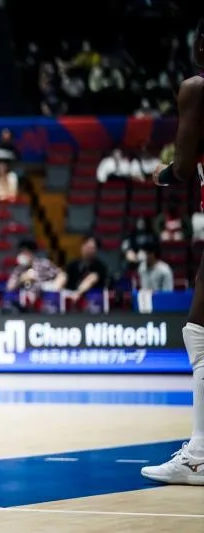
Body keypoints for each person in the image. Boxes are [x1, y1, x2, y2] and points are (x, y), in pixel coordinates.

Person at [142, 19, 204, 486]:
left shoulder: (196, 88)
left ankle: (199, 456)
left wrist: (165, 171)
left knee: (199, 334)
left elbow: (182, 169)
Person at [63, 236, 108, 303]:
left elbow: (94, 279)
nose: (88, 250)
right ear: (82, 246)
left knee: (93, 276)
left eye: (91, 248)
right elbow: (65, 279)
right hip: (70, 296)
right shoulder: (72, 264)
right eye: (86, 246)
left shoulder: (100, 267)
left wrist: (78, 293)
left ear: (96, 250)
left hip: (92, 299)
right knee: (62, 275)